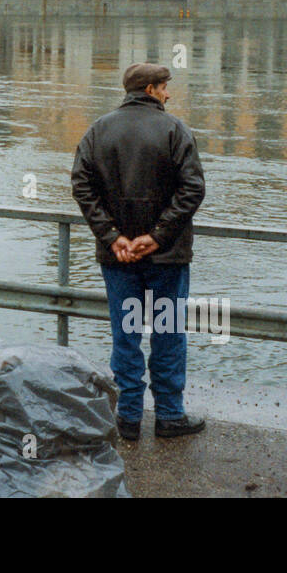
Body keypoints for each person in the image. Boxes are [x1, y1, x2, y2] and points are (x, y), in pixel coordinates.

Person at [71, 63, 207, 442]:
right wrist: (158, 236)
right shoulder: (174, 130)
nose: (168, 94)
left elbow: (81, 187)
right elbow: (192, 189)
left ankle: (128, 417)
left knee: (126, 333)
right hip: (166, 257)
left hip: (118, 257)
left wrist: (113, 237)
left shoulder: (99, 130)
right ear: (150, 89)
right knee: (167, 332)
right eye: (164, 87)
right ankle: (169, 416)